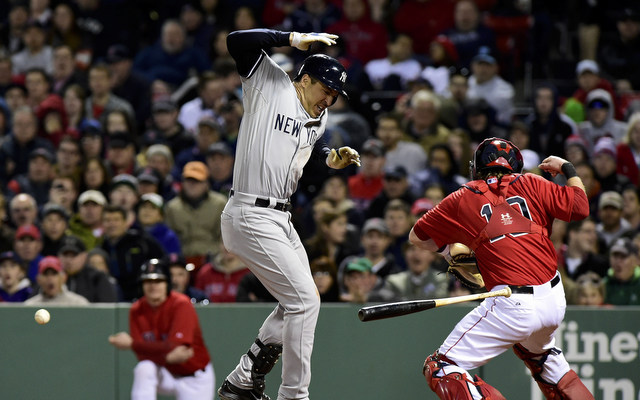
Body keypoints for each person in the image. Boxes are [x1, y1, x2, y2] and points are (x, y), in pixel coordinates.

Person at [217, 29, 361, 400]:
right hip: (249, 211)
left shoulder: (319, 118)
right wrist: (291, 38)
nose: (329, 99)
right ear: (306, 79)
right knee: (305, 303)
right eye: (326, 90)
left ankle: (243, 377)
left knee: (298, 301)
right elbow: (236, 40)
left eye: (335, 95)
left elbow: (301, 151)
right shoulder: (271, 84)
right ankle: (294, 395)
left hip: (280, 217)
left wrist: (330, 158)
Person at [408, 137, 594, 399]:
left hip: (512, 304)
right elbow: (580, 207)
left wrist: (449, 252)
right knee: (539, 355)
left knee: (440, 367)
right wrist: (567, 167)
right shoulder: (533, 182)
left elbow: (416, 237)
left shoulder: (463, 195)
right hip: (553, 299)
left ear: (477, 168)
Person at [108, 258, 215, 399]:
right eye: (148, 281)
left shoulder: (181, 303)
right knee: (144, 368)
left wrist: (133, 344)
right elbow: (143, 355)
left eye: (158, 281)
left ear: (167, 284)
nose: (153, 286)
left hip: (194, 376)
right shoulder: (136, 309)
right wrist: (166, 356)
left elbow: (175, 346)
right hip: (165, 373)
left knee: (148, 362)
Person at [58, 235, 118, 303]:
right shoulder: (52, 278)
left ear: (84, 256)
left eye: (73, 255)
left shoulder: (97, 278)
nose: (68, 260)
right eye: (65, 255)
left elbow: (107, 308)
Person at [25, 256, 90, 305]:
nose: (50, 278)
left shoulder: (78, 303)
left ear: (63, 278)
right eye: (46, 274)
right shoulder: (30, 306)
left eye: (54, 273)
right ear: (38, 279)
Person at [603, 237, 640, 305]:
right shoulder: (604, 286)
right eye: (615, 256)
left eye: (623, 256)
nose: (618, 261)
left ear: (635, 260)